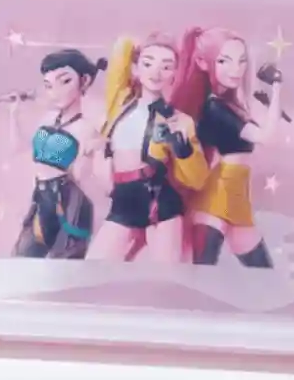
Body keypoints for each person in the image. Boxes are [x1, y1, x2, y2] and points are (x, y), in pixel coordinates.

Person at [87, 33, 209, 262]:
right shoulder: (119, 102)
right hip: (124, 199)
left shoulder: (179, 120)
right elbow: (121, 49)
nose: (156, 72)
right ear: (135, 67)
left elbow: (198, 179)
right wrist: (142, 42)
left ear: (175, 74)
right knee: (94, 266)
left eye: (166, 67)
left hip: (159, 201)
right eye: (148, 63)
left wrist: (182, 149)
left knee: (167, 275)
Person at [171, 27, 284, 266]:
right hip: (216, 196)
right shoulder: (215, 109)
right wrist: (276, 87)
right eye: (224, 61)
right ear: (203, 63)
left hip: (236, 196)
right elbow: (267, 137)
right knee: (203, 274)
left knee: (262, 273)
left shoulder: (229, 104)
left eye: (242, 61)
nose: (236, 69)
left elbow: (266, 133)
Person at [6, 49, 108, 259]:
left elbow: (84, 177)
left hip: (69, 199)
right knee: (23, 255)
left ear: (84, 81)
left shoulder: (86, 128)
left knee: (65, 260)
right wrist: (13, 116)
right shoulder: (47, 119)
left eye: (65, 82)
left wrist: (91, 153)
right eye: (49, 85)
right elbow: (19, 148)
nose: (56, 92)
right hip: (41, 196)